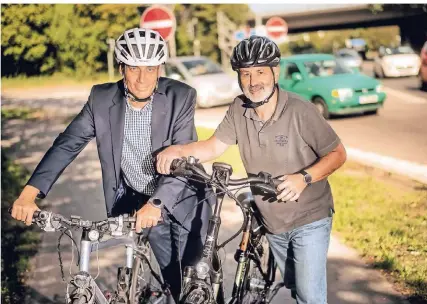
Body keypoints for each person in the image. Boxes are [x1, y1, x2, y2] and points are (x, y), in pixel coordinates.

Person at [10, 27, 212, 302]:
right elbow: (67, 144)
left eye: (150, 69)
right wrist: (29, 193)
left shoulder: (181, 96)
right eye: (133, 68)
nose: (142, 79)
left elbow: (182, 160)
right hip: (143, 204)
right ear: (121, 68)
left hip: (186, 200)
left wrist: (156, 204)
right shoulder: (101, 99)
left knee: (197, 284)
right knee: (175, 284)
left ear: (160, 69)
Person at [155, 35, 347, 304]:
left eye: (260, 72)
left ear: (275, 71)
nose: (253, 81)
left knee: (310, 296)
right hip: (273, 222)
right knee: (295, 286)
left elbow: (338, 154)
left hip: (310, 218)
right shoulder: (238, 108)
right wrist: (179, 150)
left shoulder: (300, 110)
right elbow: (213, 147)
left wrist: (304, 178)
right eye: (245, 73)